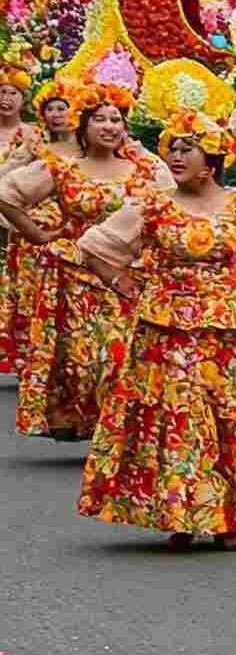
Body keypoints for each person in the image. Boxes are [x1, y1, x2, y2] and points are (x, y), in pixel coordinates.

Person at [76, 110, 236, 550]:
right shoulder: (153, 204)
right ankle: (182, 516)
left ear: (212, 158)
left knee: (233, 418)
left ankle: (233, 519)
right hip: (167, 331)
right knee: (179, 422)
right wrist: (124, 284)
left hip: (231, 329)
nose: (174, 155)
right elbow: (95, 247)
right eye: (172, 147)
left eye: (186, 148)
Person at [0, 83, 169, 442]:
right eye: (100, 120)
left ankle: (120, 433)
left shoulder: (144, 169)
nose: (109, 127)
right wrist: (38, 235)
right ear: (84, 125)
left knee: (123, 358)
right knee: (86, 361)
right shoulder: (62, 169)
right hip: (79, 276)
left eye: (117, 120)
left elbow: (174, 208)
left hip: (130, 277)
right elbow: (7, 197)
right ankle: (100, 424)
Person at [0, 59, 42, 375]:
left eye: (12, 92)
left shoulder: (33, 134)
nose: (6, 98)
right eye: (1, 92)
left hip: (16, 217)